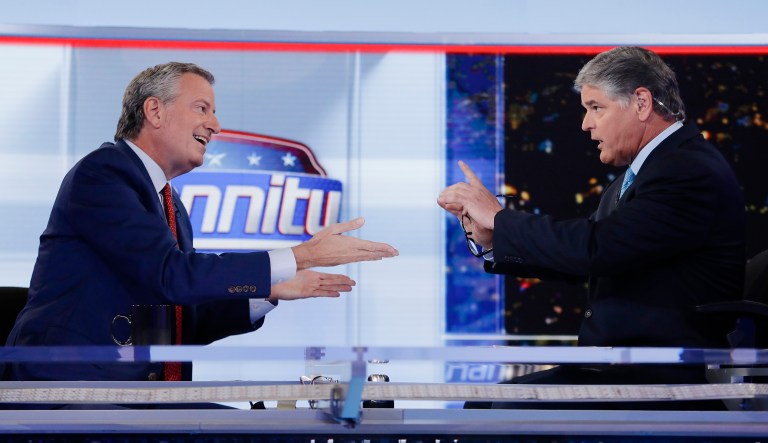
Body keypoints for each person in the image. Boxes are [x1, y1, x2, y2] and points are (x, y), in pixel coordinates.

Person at [3, 62, 398, 383]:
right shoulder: (103, 174)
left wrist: (271, 290)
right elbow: (173, 276)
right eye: (202, 108)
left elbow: (178, 319)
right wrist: (300, 254)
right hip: (68, 391)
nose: (215, 124)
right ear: (155, 111)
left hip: (138, 394)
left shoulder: (171, 205)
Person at [438, 46, 746, 410]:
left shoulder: (685, 171)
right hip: (619, 371)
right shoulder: (644, 173)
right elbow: (582, 255)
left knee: (496, 412)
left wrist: (500, 218)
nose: (586, 124)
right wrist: (493, 238)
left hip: (657, 378)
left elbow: (596, 248)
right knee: (484, 406)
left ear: (641, 103)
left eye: (596, 107)